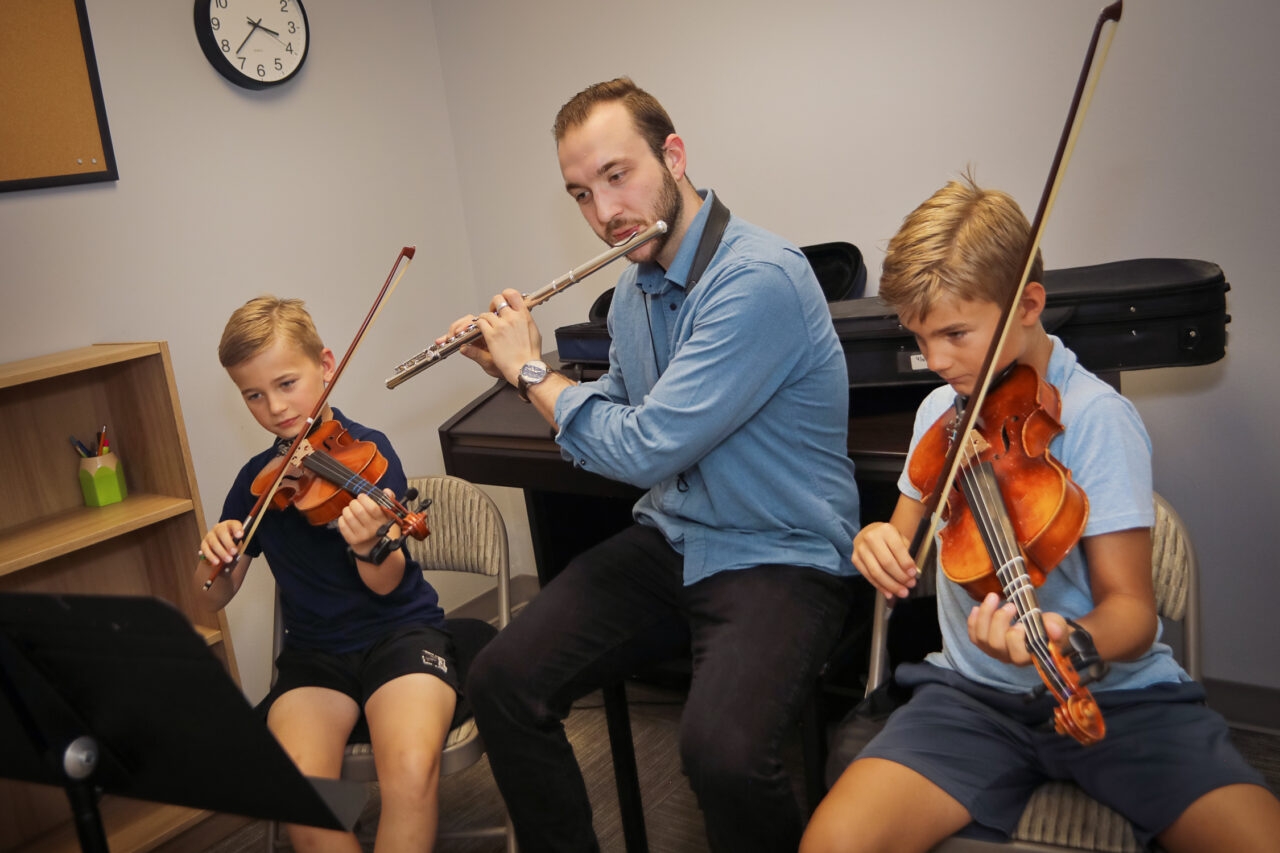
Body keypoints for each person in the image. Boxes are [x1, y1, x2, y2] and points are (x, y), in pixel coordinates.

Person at [799, 175, 1280, 853]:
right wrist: (877, 541)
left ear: (1028, 303)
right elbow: (899, 533)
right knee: (832, 843)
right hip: (972, 698)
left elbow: (1133, 614)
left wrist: (1064, 642)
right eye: (920, 335)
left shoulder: (1097, 422)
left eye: (956, 334)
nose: (935, 362)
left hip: (1122, 700)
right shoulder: (939, 412)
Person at [443, 77, 860, 852]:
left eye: (616, 175)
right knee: (502, 679)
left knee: (722, 755)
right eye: (580, 194)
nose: (604, 214)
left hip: (780, 552)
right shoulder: (635, 294)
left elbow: (649, 444)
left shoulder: (757, 278)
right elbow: (624, 404)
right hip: (676, 539)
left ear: (673, 156)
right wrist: (514, 370)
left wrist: (534, 375)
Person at [197, 296, 458, 853]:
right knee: (306, 799)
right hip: (314, 656)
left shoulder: (368, 453)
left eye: (287, 383)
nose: (275, 407)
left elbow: (387, 584)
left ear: (327, 366)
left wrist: (367, 545)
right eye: (253, 395)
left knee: (410, 774)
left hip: (401, 636)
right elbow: (214, 596)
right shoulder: (256, 482)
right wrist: (213, 555)